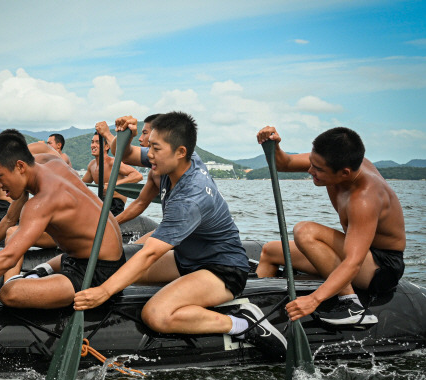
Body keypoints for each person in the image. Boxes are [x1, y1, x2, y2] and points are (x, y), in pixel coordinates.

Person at [74, 112, 286, 350]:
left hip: (222, 270)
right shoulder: (178, 159)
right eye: (149, 146)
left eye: (156, 148)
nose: (149, 154)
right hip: (186, 259)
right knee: (117, 266)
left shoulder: (191, 197)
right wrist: (127, 137)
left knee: (155, 314)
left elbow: (150, 254)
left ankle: (243, 324)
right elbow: (128, 154)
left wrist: (104, 292)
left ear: (180, 151)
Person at [0, 117, 124, 311]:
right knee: (55, 256)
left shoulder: (42, 202)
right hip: (87, 256)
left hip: (97, 272)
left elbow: (9, 258)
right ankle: (41, 272)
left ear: (20, 166)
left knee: (10, 293)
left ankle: (33, 277)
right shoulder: (48, 160)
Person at [256, 126, 406, 325]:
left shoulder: (364, 199)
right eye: (311, 163)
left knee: (305, 231)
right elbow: (285, 163)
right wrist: (273, 145)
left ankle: (351, 305)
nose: (310, 171)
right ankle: (254, 315)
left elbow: (353, 262)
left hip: (380, 267)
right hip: (359, 254)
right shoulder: (334, 161)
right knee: (270, 251)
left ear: (344, 173)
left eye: (318, 170)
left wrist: (314, 299)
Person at [82, 132, 142, 216]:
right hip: (101, 201)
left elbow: (138, 176)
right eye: (92, 142)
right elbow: (81, 184)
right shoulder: (92, 165)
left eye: (97, 142)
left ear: (107, 147)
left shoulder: (113, 162)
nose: (93, 145)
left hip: (115, 203)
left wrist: (113, 185)